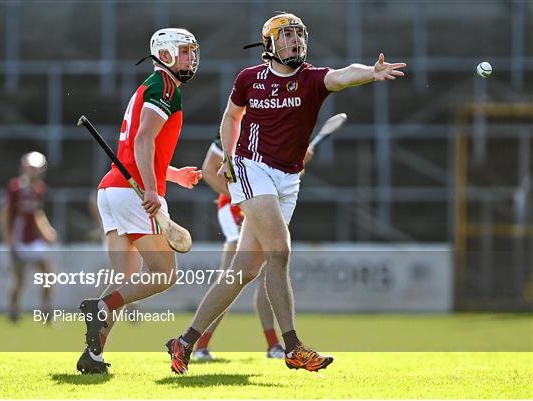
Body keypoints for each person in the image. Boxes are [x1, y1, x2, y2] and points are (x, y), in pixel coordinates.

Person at [166, 12, 406, 375]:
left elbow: (342, 75)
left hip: (289, 179)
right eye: (287, 35)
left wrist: (371, 73)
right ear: (270, 44)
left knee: (244, 271)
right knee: (280, 250)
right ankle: (292, 346)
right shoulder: (249, 79)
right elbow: (231, 119)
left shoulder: (311, 79)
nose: (296, 41)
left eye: (299, 35)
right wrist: (230, 157)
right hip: (252, 166)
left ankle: (183, 342)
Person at [76, 28, 203, 374]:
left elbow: (140, 147)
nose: (191, 57)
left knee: (125, 277)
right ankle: (101, 307)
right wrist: (151, 190)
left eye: (192, 51)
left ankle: (93, 355)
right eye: (185, 51)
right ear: (164, 55)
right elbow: (144, 140)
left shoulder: (151, 86)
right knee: (164, 274)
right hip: (134, 193)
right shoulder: (164, 87)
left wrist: (172, 175)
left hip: (112, 191)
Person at [192, 129, 314, 361]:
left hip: (267, 209)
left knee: (270, 271)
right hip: (235, 209)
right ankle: (197, 345)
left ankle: (274, 346)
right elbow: (209, 170)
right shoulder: (239, 126)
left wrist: (299, 161)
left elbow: (288, 179)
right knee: (232, 275)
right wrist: (244, 199)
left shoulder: (282, 126)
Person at [0, 151, 56, 323]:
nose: (34, 172)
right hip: (18, 240)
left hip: (34, 241)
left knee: (48, 274)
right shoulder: (15, 188)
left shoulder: (40, 189)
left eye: (36, 169)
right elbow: (4, 213)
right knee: (19, 279)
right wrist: (8, 239)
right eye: (31, 168)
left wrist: (46, 231)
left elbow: (37, 213)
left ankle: (47, 313)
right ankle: (13, 311)